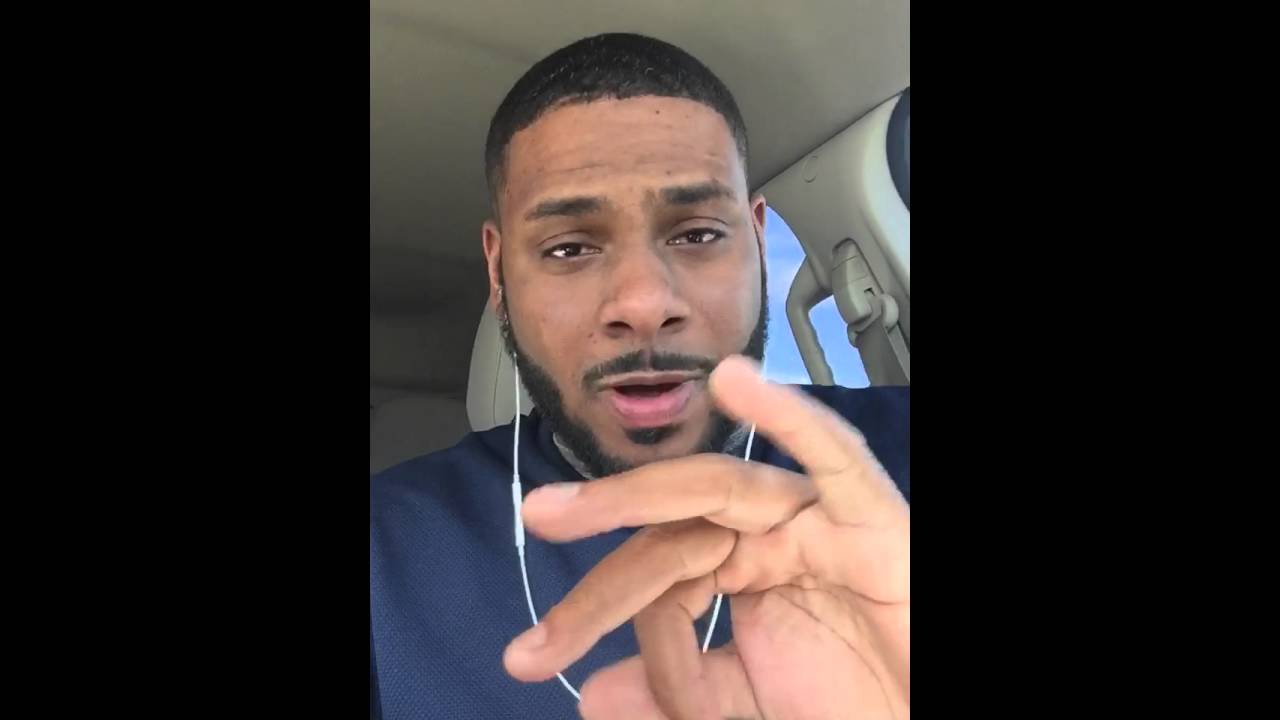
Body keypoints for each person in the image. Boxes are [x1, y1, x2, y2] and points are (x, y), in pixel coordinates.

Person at [371, 32, 909, 720]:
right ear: (498, 273)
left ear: (756, 241)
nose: (645, 303)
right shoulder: (389, 548)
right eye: (569, 247)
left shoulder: (896, 458)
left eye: (697, 234)